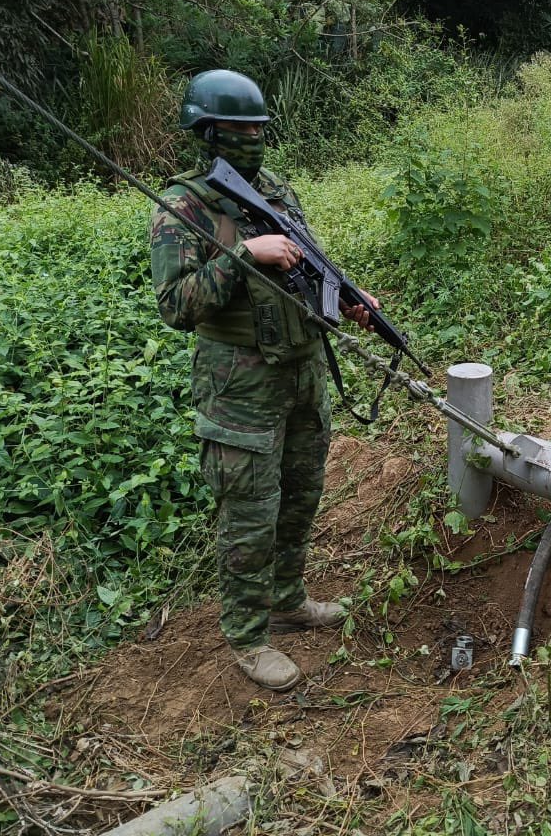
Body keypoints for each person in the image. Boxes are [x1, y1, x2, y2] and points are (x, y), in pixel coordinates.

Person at [150, 69, 377, 691]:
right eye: (238, 128)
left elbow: (310, 263)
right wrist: (246, 254)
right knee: (250, 509)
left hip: (302, 370)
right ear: (207, 132)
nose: (252, 138)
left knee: (301, 493)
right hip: (239, 383)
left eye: (258, 127)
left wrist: (348, 297)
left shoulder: (275, 189)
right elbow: (175, 305)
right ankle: (248, 637)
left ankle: (288, 598)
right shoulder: (187, 204)